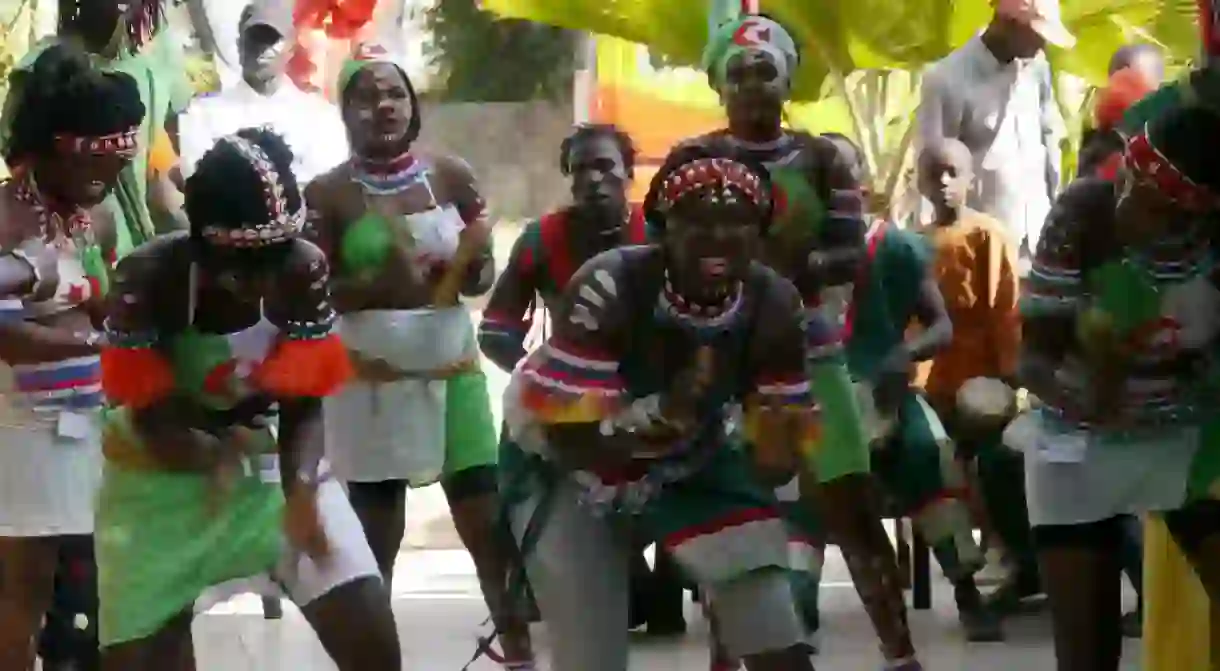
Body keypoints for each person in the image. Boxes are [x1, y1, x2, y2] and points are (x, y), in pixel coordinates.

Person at [502, 145, 817, 671]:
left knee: (778, 645)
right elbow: (567, 439)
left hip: (696, 456)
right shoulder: (609, 285)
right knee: (592, 661)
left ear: (761, 232)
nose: (719, 235)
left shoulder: (776, 305)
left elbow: (776, 462)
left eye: (738, 220)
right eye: (697, 219)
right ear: (662, 226)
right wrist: (660, 416)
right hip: (567, 468)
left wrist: (776, 447)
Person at [94, 126, 399, 669]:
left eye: (275, 256)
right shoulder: (148, 277)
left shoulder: (302, 267)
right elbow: (146, 410)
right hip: (159, 481)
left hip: (270, 466)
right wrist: (212, 453)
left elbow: (306, 401)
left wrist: (302, 491)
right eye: (243, 262)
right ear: (202, 242)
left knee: (372, 637)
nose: (263, 276)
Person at [686, 12, 920, 669]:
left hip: (811, 356)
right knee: (731, 520)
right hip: (726, 360)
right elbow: (667, 254)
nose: (753, 85)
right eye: (739, 74)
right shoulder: (695, 160)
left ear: (786, 80)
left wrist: (758, 270)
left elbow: (846, 255)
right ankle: (725, 659)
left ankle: (900, 654)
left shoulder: (818, 158)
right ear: (719, 86)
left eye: (766, 71)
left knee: (851, 509)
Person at [306, 43, 534, 666]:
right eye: (365, 95)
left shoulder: (451, 175)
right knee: (377, 528)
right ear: (344, 111)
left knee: (485, 515)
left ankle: (519, 650)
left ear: (413, 107)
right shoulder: (327, 194)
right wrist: (381, 277)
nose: (382, 105)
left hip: (450, 362)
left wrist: (466, 265)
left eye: (394, 93)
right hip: (370, 374)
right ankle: (375, 659)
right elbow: (308, 294)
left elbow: (480, 277)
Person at [1018, 102, 1220, 671]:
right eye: (1127, 182)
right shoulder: (1082, 211)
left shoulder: (1212, 243)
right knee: (1087, 653)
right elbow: (1032, 362)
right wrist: (1085, 395)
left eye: (1157, 207)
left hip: (1186, 438)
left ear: (1198, 214)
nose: (1128, 205)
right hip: (1077, 443)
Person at [477, 124, 689, 638]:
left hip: (656, 385)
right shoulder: (543, 240)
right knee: (516, 462)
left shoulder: (662, 235)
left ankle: (670, 578)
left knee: (692, 453)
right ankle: (540, 584)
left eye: (605, 168)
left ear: (628, 174)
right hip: (574, 391)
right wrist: (548, 382)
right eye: (581, 171)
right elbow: (496, 329)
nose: (593, 180)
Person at [0, 43, 142, 671]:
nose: (103, 183)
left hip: (90, 424)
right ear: (55, 144)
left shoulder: (97, 222)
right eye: (93, 166)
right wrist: (95, 343)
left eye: (114, 168)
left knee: (88, 593)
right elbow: (6, 337)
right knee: (22, 594)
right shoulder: (5, 218)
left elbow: (102, 310)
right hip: (20, 429)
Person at [842, 138, 1001, 642]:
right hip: (814, 401)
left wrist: (903, 357)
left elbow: (941, 327)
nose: (832, 189)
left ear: (862, 185)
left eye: (842, 176)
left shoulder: (896, 247)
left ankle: (966, 592)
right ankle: (790, 609)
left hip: (890, 393)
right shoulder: (787, 253)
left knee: (930, 452)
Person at [910, 139, 1038, 622]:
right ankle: (973, 573)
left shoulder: (989, 235)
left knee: (995, 459)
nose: (943, 182)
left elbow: (1007, 311)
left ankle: (1022, 562)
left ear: (970, 181)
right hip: (930, 385)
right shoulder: (913, 244)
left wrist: (1009, 381)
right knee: (938, 461)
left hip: (985, 380)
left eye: (952, 173)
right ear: (920, 182)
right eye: (934, 173)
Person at [918, 0, 1072, 263]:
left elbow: (1049, 142)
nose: (1042, 45)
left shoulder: (1036, 68)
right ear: (1008, 24)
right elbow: (932, 170)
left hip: (1038, 243)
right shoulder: (945, 80)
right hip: (982, 252)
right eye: (1036, 35)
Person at [179, 1, 348, 185]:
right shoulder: (203, 114)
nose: (261, 49)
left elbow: (325, 185)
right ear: (239, 45)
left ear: (291, 49)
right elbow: (200, 181)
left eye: (271, 39)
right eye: (254, 38)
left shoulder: (321, 118)